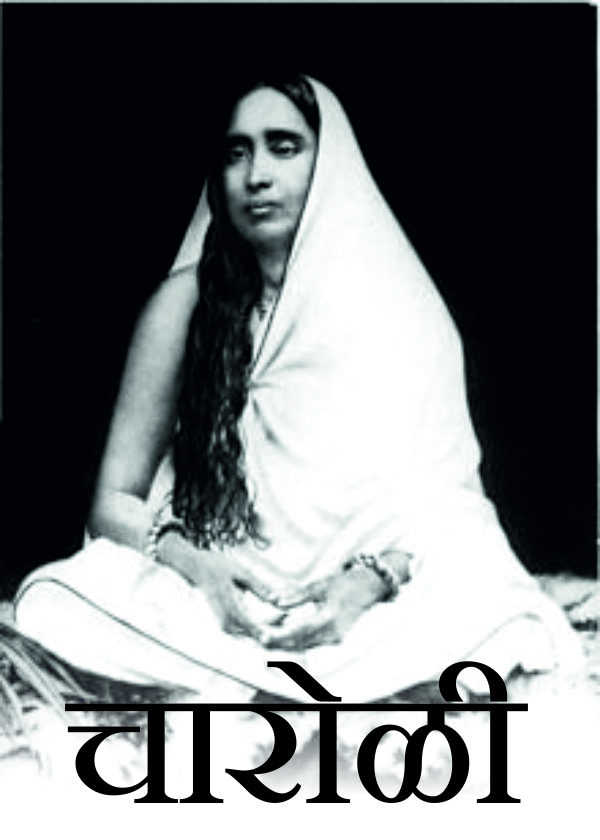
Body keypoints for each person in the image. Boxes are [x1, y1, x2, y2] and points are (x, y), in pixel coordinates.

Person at [14, 74, 581, 703]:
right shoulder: (181, 305)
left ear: (330, 165)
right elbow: (114, 500)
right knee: (58, 598)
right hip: (206, 595)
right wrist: (199, 569)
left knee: (491, 597)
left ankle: (270, 685)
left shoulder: (399, 309)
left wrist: (365, 583)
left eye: (283, 147)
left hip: (357, 600)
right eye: (237, 153)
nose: (257, 175)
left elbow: (446, 509)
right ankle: (311, 687)